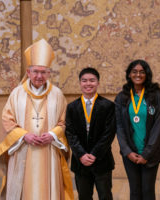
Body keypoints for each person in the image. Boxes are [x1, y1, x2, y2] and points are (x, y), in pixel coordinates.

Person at [0, 39, 74, 200]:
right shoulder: (16, 94)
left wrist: (52, 135)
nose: (39, 76)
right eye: (36, 71)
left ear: (49, 73)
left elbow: (64, 122)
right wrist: (24, 135)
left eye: (43, 72)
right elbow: (7, 120)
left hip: (49, 151)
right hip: (23, 149)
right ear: (28, 72)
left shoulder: (57, 94)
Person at [115, 59, 160, 200]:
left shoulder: (156, 96)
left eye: (142, 72)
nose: (138, 74)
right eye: (134, 72)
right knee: (135, 192)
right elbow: (119, 127)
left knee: (148, 191)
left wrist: (147, 154)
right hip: (130, 154)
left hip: (150, 154)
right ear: (129, 75)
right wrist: (127, 152)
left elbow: (159, 127)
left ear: (147, 74)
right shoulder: (122, 97)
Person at [65, 67, 116, 200]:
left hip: (102, 160)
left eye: (92, 80)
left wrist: (94, 154)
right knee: (84, 196)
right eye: (84, 80)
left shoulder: (108, 106)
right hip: (80, 162)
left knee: (105, 195)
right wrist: (81, 154)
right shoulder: (71, 107)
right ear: (80, 83)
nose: (88, 83)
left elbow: (109, 134)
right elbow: (70, 134)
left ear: (98, 83)